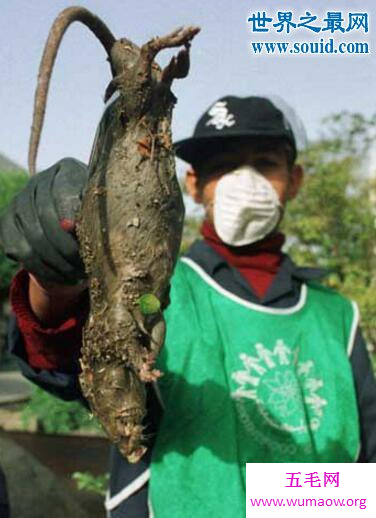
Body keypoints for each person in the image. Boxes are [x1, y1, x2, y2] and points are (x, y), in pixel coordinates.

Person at [1, 96, 376, 518]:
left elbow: (367, 461)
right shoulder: (155, 292)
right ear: (192, 184)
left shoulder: (336, 316)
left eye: (265, 162)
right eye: (223, 166)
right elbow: (66, 361)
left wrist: (271, 495)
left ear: (294, 179)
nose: (244, 180)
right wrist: (56, 280)